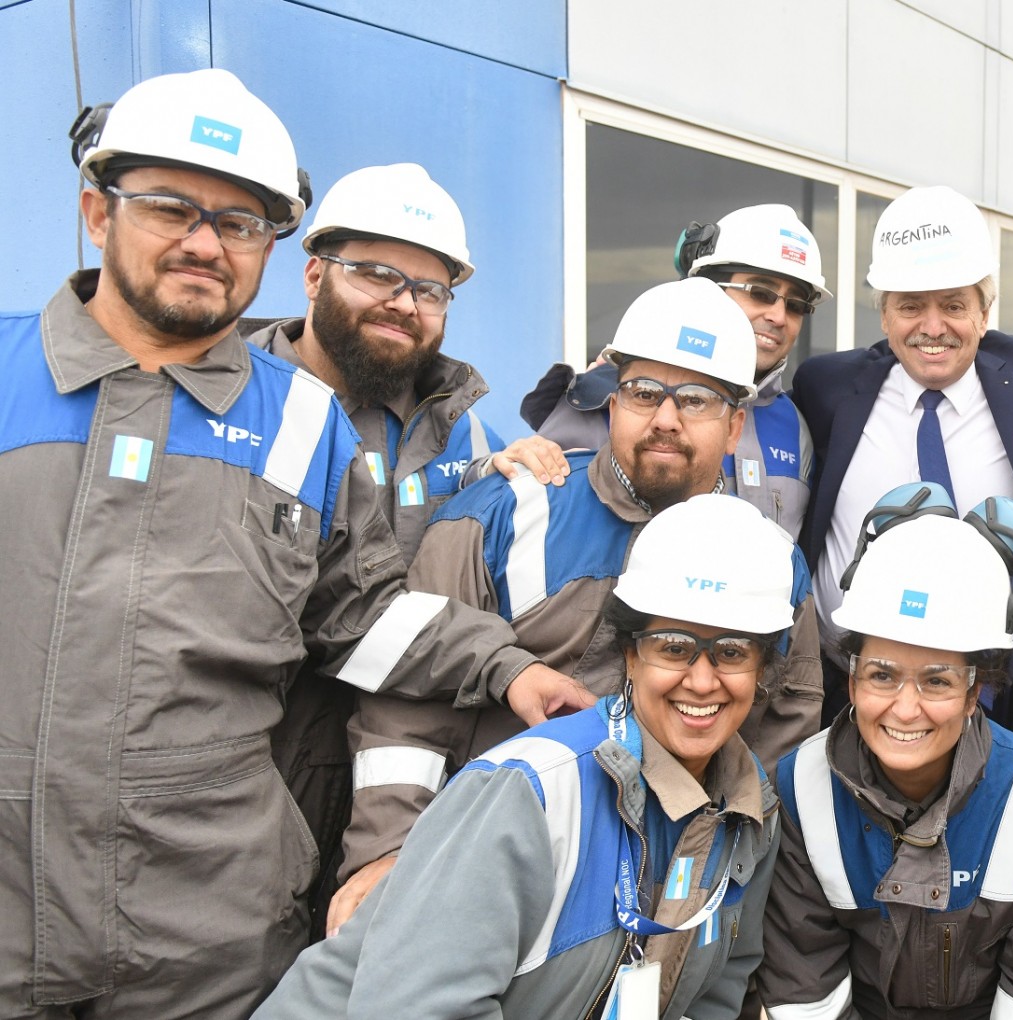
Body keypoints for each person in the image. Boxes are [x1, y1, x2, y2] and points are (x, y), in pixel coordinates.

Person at [0, 69, 584, 1020]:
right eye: (168, 207)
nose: (203, 241)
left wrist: (505, 668)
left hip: (205, 934)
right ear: (96, 213)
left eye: (238, 224)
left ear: (270, 249)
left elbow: (357, 615)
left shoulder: (302, 424)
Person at [328, 277, 823, 931]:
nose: (666, 419)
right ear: (613, 404)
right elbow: (405, 708)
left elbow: (778, 735)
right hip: (486, 873)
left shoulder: (770, 563)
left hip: (663, 894)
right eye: (646, 392)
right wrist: (390, 849)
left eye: (697, 399)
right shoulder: (503, 516)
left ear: (735, 426)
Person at [254, 494, 795, 1020]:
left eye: (732, 651)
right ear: (630, 655)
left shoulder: (750, 818)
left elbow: (712, 1001)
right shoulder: (530, 792)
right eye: (674, 648)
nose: (702, 681)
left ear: (763, 667)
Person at [246, 162, 505, 937]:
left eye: (429, 289)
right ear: (315, 273)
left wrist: (523, 469)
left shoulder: (462, 425)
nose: (404, 302)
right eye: (376, 274)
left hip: (400, 765)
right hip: (258, 764)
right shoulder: (237, 402)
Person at [759, 491, 1013, 1019]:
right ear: (850, 681)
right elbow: (805, 989)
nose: (905, 708)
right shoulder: (798, 793)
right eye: (881, 675)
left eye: (937, 681)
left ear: (974, 694)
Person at [793, 185, 1013, 737]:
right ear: (883, 314)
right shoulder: (826, 388)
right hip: (847, 692)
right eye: (910, 306)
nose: (932, 327)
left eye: (954, 305)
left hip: (996, 693)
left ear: (984, 311)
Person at [484, 203, 828, 540]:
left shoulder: (796, 428)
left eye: (796, 305)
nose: (779, 317)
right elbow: (514, 511)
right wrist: (488, 469)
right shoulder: (607, 396)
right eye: (761, 292)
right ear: (706, 286)